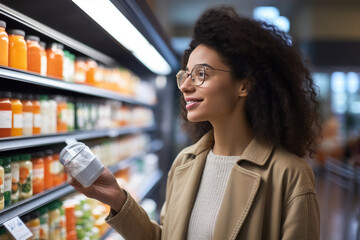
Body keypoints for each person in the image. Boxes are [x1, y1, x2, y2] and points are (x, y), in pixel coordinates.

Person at [69, 6, 321, 240]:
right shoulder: (184, 163)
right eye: (186, 75)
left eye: (201, 74)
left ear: (244, 84)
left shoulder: (290, 176)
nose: (186, 86)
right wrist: (118, 199)